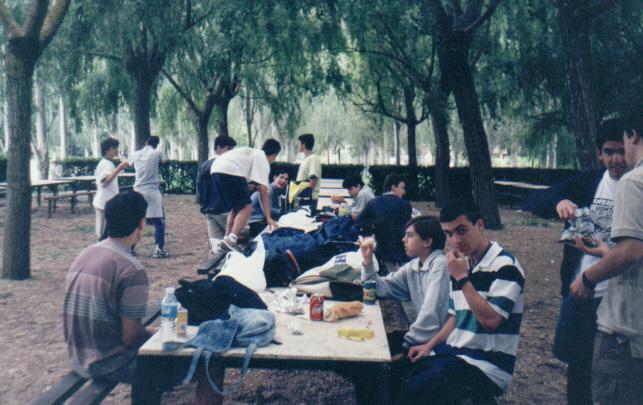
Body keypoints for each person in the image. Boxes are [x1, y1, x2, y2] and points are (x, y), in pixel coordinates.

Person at [523, 119, 627, 404]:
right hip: (582, 290)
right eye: (609, 152)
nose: (616, 159)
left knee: (615, 376)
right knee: (579, 370)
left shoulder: (637, 187)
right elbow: (536, 199)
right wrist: (559, 202)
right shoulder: (590, 181)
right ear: (599, 154)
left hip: (622, 296)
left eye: (621, 151)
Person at [399, 199, 525, 404]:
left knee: (416, 390)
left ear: (480, 225)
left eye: (461, 230)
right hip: (455, 354)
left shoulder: (505, 266)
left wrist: (462, 279)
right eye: (449, 234)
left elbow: (491, 321)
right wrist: (428, 345)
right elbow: (455, 317)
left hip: (488, 366)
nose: (455, 240)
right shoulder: (463, 263)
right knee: (396, 373)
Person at [570, 114, 643, 405]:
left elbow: (630, 251)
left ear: (632, 135)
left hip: (626, 329)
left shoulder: (633, 181)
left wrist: (588, 278)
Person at [64, 191, 153, 384]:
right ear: (141, 224)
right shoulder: (131, 269)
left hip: (77, 358)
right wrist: (156, 333)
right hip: (108, 364)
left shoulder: (87, 252)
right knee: (194, 360)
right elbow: (131, 337)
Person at [359, 215, 450, 397]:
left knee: (385, 371)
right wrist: (368, 262)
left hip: (441, 342)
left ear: (427, 242)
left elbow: (430, 315)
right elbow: (380, 288)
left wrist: (404, 348)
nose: (403, 240)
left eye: (410, 235)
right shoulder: (415, 266)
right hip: (423, 338)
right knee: (371, 352)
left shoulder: (441, 265)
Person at [210, 139, 281, 260]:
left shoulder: (251, 154)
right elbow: (264, 191)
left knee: (236, 207)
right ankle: (232, 238)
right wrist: (269, 218)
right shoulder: (262, 158)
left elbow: (245, 185)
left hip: (216, 169)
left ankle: (227, 238)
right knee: (247, 207)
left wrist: (251, 187)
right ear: (274, 155)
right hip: (229, 170)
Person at [358, 174, 413, 274]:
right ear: (393, 187)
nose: (404, 192)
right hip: (403, 251)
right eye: (402, 188)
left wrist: (374, 226)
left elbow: (359, 222)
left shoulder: (373, 203)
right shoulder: (406, 205)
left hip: (383, 251)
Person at [197, 135, 237, 251]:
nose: (231, 153)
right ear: (218, 147)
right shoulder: (224, 164)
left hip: (209, 211)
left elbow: (200, 190)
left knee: (216, 247)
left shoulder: (204, 165)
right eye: (228, 149)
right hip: (224, 210)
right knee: (237, 240)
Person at [130, 136, 168, 258]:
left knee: (135, 221)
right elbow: (165, 161)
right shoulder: (157, 153)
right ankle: (158, 249)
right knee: (159, 221)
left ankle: (129, 248)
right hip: (152, 191)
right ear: (156, 145)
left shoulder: (136, 154)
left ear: (145, 142)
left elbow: (129, 163)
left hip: (138, 191)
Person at [93, 138, 128, 239]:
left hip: (109, 204)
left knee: (108, 233)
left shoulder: (108, 163)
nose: (116, 150)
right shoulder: (105, 164)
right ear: (107, 150)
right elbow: (105, 182)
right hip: (103, 204)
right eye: (114, 148)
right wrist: (118, 169)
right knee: (102, 234)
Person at [296, 133, 322, 213]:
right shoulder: (306, 159)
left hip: (309, 199)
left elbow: (314, 179)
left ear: (303, 144)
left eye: (299, 143)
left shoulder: (313, 158)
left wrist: (306, 196)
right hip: (302, 197)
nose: (297, 145)